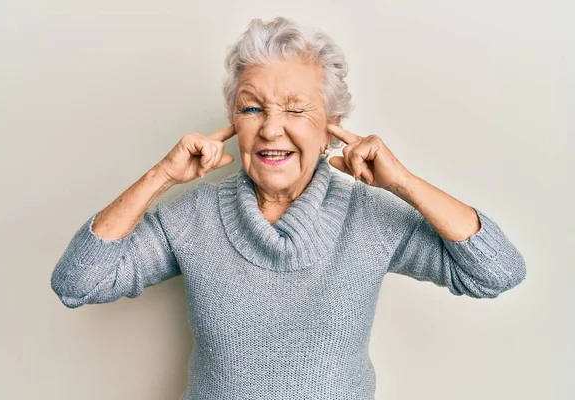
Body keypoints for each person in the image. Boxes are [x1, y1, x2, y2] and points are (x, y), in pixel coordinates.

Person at [50, 16, 527, 400]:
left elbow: (497, 272)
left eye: (296, 110)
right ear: (234, 121)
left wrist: (402, 182)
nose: (272, 129)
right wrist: (161, 177)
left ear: (331, 129)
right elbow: (77, 282)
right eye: (253, 108)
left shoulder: (370, 218)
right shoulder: (192, 217)